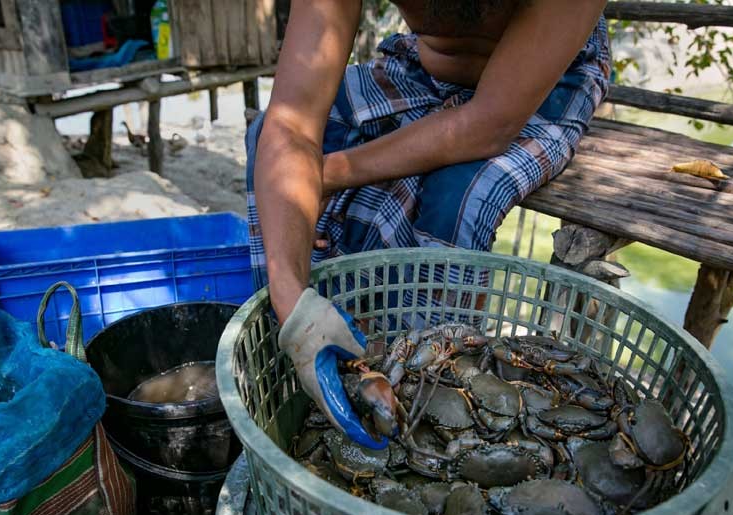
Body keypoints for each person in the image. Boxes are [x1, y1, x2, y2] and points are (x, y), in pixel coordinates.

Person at [245, 0, 611, 448]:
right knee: (268, 151)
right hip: (423, 68)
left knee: (458, 200)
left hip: (546, 84)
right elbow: (291, 122)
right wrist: (294, 308)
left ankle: (424, 396)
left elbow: (488, 124)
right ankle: (314, 357)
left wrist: (326, 173)